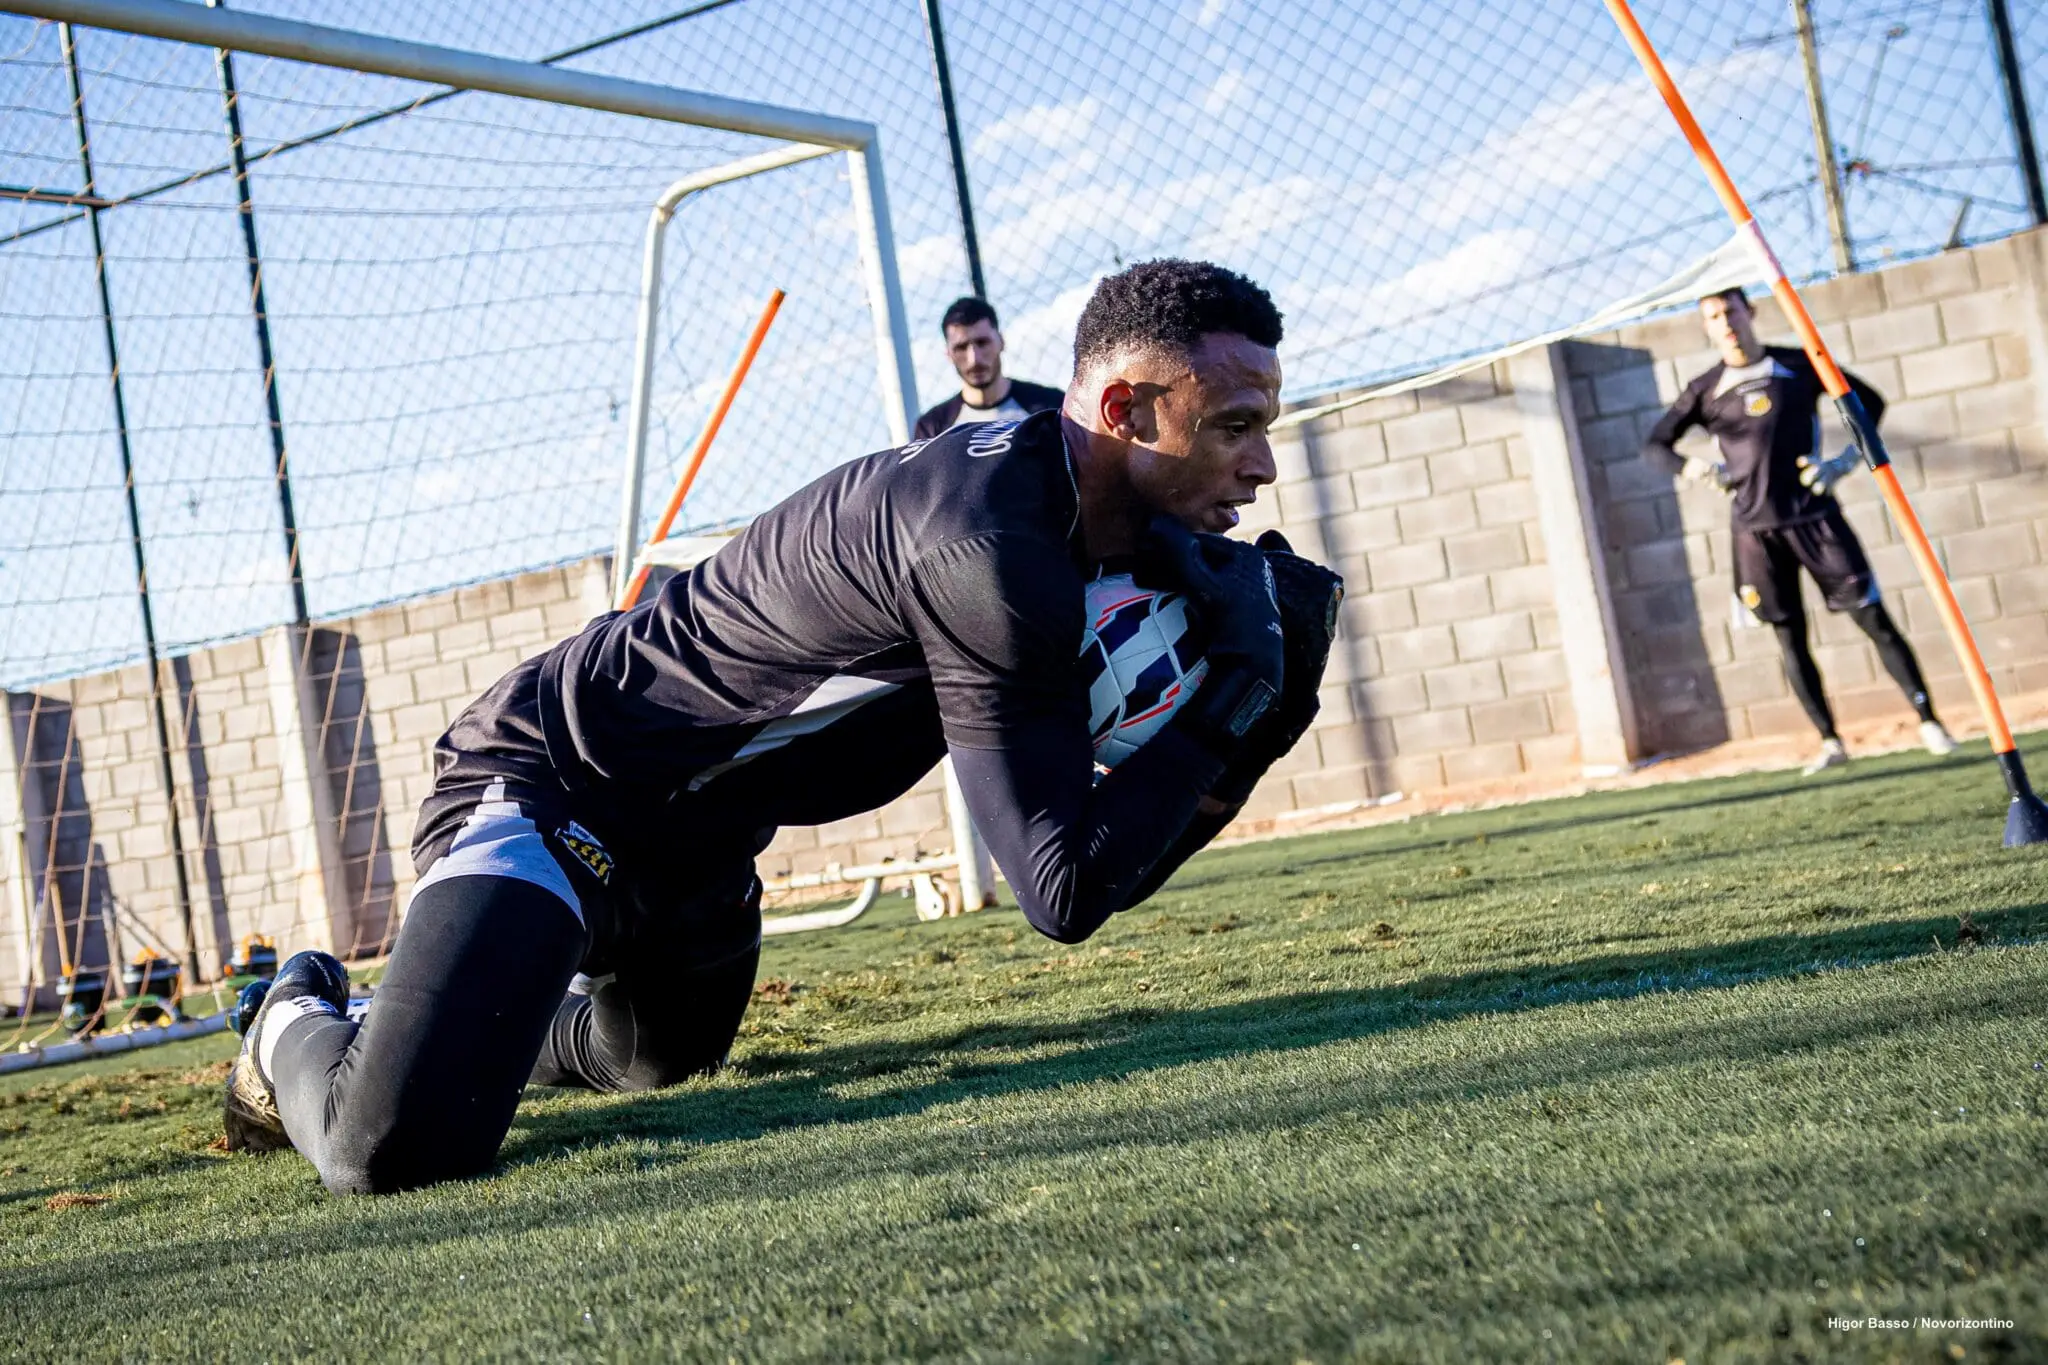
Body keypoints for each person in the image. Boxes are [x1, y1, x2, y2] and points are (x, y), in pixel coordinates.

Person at [222, 260, 1344, 1195]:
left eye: (1265, 426)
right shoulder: (988, 547)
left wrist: (1256, 727)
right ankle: (293, 1019)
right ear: (1125, 412)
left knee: (654, 1060)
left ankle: (463, 1004)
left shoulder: (1107, 532)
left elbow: (1110, 861)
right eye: (1233, 426)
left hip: (696, 851)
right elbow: (1062, 891)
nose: (1260, 463)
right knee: (394, 1150)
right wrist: (1236, 701)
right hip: (553, 784)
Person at [1644, 287, 1956, 774]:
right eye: (1714, 316)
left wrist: (1844, 461)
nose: (1726, 323)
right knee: (1790, 638)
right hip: (1755, 532)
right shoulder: (1704, 388)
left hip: (1816, 517)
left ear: (1750, 312)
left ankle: (1930, 722)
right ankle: (1830, 741)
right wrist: (1693, 468)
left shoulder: (1797, 363)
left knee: (1873, 619)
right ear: (1706, 326)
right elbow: (1655, 445)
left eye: (1731, 311)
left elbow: (1870, 402)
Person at [912, 296, 1065, 439]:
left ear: (1001, 341)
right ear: (948, 354)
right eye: (961, 347)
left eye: (982, 343)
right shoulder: (932, 428)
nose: (974, 359)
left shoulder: (1051, 408)